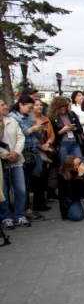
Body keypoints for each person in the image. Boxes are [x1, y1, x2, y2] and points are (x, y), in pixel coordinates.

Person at [9, 95, 46, 222]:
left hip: (33, 150)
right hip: (22, 152)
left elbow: (34, 135)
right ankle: (24, 210)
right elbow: (19, 135)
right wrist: (31, 129)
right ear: (21, 104)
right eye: (29, 108)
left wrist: (39, 129)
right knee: (23, 184)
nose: (30, 111)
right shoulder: (13, 118)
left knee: (31, 181)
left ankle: (26, 209)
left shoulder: (29, 117)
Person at [0, 98, 30, 228]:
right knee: (3, 191)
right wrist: (6, 155)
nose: (5, 106)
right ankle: (6, 217)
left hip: (16, 160)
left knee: (21, 189)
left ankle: (20, 215)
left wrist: (16, 152)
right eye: (2, 105)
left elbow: (21, 137)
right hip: (2, 162)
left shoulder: (11, 120)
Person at [58, 155, 84, 221]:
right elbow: (70, 191)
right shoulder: (63, 174)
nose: (81, 164)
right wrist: (79, 175)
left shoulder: (83, 162)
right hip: (72, 197)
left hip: (83, 189)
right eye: (78, 164)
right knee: (76, 217)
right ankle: (74, 208)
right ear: (70, 168)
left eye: (80, 161)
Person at [31, 99, 55, 212]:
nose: (39, 107)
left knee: (45, 177)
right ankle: (37, 203)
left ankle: (42, 201)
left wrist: (47, 144)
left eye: (40, 105)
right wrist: (41, 146)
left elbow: (51, 135)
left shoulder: (46, 119)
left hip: (47, 149)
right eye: (36, 105)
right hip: (35, 151)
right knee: (37, 179)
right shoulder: (29, 120)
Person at [49, 96, 83, 163]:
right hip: (62, 143)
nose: (63, 111)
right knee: (63, 164)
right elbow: (51, 134)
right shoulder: (52, 117)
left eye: (64, 109)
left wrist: (74, 128)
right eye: (60, 110)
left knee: (80, 161)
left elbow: (80, 129)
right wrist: (61, 131)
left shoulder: (72, 114)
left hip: (74, 142)